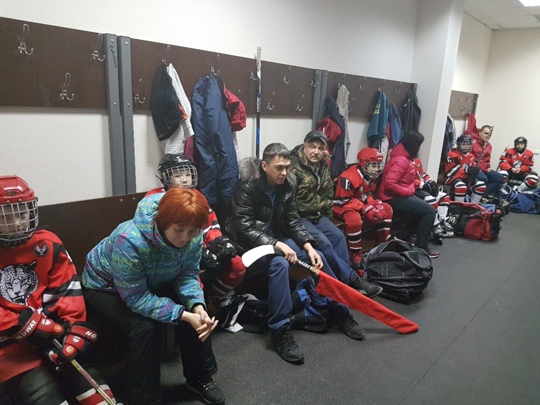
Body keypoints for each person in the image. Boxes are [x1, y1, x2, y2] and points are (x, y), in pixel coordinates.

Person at [82, 188, 225, 405]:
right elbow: (136, 298)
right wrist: (183, 315)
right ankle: (146, 399)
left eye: (192, 232)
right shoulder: (128, 240)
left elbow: (187, 274)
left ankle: (200, 377)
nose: (184, 238)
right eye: (179, 230)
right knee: (145, 326)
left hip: (152, 278)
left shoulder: (193, 238)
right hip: (104, 288)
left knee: (195, 313)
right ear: (163, 222)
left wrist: (197, 306)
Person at [229, 143, 366, 364]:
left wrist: (308, 246)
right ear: (264, 166)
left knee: (317, 256)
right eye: (279, 167)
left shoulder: (287, 185)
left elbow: (293, 221)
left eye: (287, 167)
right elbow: (243, 229)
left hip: (277, 239)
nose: (284, 172)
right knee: (280, 264)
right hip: (250, 245)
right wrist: (277, 244)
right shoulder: (247, 185)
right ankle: (279, 330)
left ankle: (339, 311)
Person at [0, 175, 116, 405]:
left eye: (21, 214)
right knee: (41, 391)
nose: (17, 224)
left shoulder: (48, 244)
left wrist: (71, 331)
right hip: (8, 346)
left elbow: (67, 292)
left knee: (91, 386)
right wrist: (25, 325)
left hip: (51, 334)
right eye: (6, 217)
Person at [289, 130, 382, 298]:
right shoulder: (292, 166)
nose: (316, 151)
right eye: (312, 147)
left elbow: (327, 193)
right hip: (299, 217)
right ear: (304, 146)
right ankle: (350, 281)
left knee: (338, 237)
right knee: (324, 243)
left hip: (319, 215)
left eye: (320, 148)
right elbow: (287, 202)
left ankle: (344, 280)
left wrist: (327, 216)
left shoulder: (323, 164)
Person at [147, 153, 246, 301]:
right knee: (192, 282)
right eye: (178, 175)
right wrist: (199, 252)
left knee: (237, 264)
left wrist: (217, 243)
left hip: (196, 246)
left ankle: (215, 299)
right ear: (166, 178)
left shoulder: (197, 196)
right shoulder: (154, 199)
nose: (185, 179)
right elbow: (157, 236)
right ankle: (195, 308)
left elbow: (209, 225)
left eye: (188, 174)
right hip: (171, 255)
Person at [378, 131, 439, 258]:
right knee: (429, 212)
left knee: (425, 207)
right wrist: (409, 191)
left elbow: (406, 181)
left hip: (397, 194)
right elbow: (389, 184)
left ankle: (404, 235)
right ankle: (421, 247)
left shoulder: (405, 158)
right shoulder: (401, 161)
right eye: (419, 145)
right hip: (390, 197)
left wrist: (414, 187)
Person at [333, 147, 393, 269]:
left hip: (355, 202)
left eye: (378, 165)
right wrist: (365, 208)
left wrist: (373, 204)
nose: (376, 169)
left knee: (386, 208)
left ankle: (381, 244)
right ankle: (355, 253)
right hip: (338, 205)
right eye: (373, 165)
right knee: (354, 219)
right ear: (362, 164)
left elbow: (366, 194)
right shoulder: (348, 177)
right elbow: (342, 200)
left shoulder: (369, 175)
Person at [412, 158, 454, 238]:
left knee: (444, 197)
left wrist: (430, 181)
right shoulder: (402, 161)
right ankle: (435, 226)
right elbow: (406, 180)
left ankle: (441, 222)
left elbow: (422, 174)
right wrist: (421, 184)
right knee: (431, 200)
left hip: (421, 188)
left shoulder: (417, 160)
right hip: (413, 189)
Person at [443, 134, 486, 203]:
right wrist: (466, 170)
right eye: (463, 144)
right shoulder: (452, 155)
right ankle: (458, 205)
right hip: (451, 178)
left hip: (465, 178)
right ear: (458, 144)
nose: (466, 146)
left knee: (481, 185)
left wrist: (475, 171)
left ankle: (473, 205)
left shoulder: (471, 156)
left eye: (468, 144)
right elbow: (450, 172)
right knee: (461, 186)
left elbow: (472, 168)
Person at [471, 125, 505, 196]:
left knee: (500, 178)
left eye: (490, 134)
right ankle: (477, 194)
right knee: (484, 179)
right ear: (480, 133)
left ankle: (483, 194)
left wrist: (488, 166)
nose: (488, 136)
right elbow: (469, 158)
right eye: (486, 133)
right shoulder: (473, 144)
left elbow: (488, 158)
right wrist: (475, 167)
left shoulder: (489, 146)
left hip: (485, 168)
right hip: (475, 168)